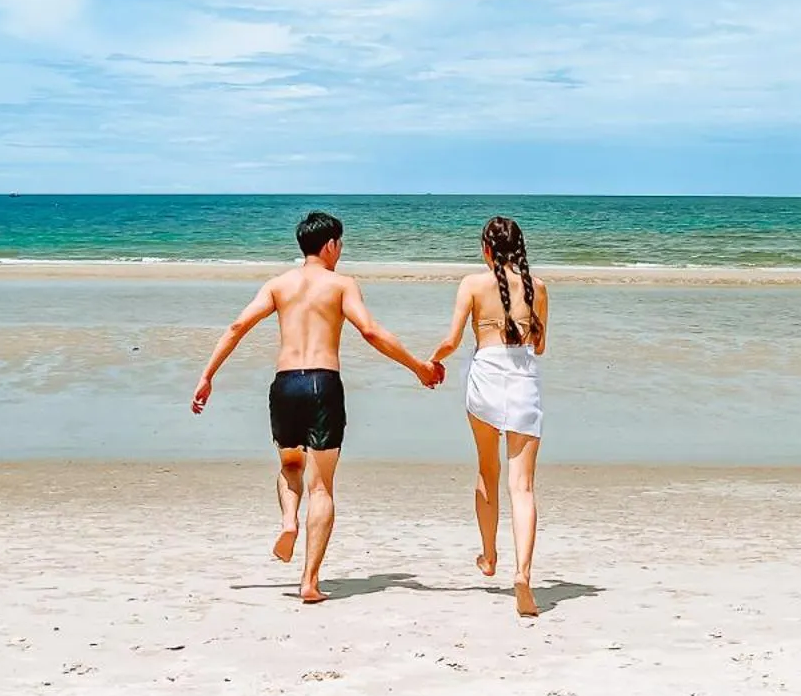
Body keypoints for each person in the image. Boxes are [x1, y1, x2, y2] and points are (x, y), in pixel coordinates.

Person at [190, 210, 444, 603]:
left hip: (286, 383)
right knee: (322, 485)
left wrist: (207, 376)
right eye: (340, 244)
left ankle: (289, 520)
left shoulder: (278, 285)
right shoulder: (341, 285)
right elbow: (371, 331)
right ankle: (309, 582)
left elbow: (238, 326)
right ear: (330, 245)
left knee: (290, 465)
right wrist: (418, 368)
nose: (341, 251)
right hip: (323, 383)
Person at [429, 215, 549, 618]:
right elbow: (541, 345)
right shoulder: (539, 288)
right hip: (523, 380)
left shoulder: (472, 284)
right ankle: (524, 575)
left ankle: (489, 555)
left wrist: (431, 362)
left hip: (485, 378)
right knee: (524, 487)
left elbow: (451, 340)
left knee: (487, 473)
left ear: (485, 249)